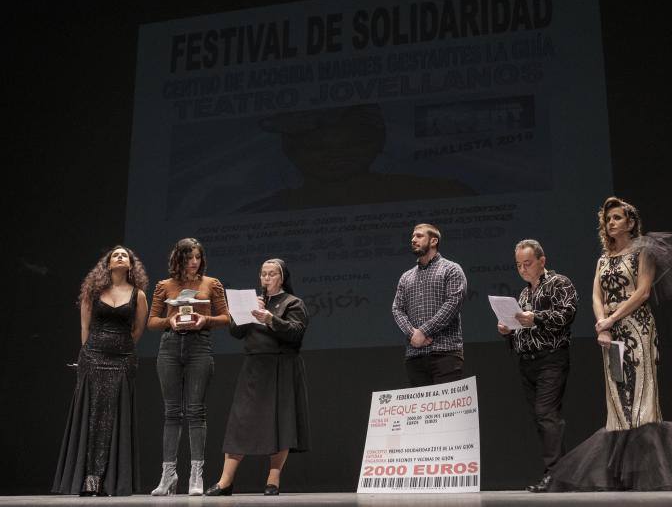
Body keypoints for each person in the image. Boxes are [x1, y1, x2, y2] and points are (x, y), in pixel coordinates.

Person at [547, 197, 672, 491]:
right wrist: (602, 325)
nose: (611, 223)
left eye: (616, 218)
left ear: (630, 222)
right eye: (608, 219)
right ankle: (621, 475)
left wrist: (611, 320)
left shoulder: (643, 252)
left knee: (640, 398)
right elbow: (596, 296)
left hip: (636, 328)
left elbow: (641, 293)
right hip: (611, 333)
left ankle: (654, 473)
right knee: (617, 398)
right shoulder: (603, 259)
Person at [236, 104, 476, 213]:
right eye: (316, 145)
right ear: (290, 148)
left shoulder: (443, 195)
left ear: (378, 140)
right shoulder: (259, 214)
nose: (335, 153)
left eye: (352, 141)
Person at [205, 258, 310, 496]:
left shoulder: (293, 303)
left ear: (282, 278)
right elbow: (236, 332)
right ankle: (225, 482)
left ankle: (273, 480)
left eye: (271, 274)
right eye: (263, 274)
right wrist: (241, 313)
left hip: (281, 366)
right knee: (239, 424)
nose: (266, 278)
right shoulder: (255, 302)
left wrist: (270, 319)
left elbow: (297, 333)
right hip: (254, 366)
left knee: (279, 424)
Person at [53, 245, 149, 496]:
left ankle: (108, 481)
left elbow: (138, 329)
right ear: (107, 264)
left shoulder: (138, 294)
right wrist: (86, 355)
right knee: (93, 416)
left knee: (114, 417)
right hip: (93, 357)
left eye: (124, 255)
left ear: (131, 265)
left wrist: (121, 348)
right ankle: (88, 480)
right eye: (115, 255)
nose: (119, 257)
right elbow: (85, 327)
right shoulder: (93, 291)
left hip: (123, 360)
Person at [148, 238, 230, 496]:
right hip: (170, 346)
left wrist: (204, 319)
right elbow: (152, 321)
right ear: (179, 259)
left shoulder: (211, 283)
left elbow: (226, 317)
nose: (194, 262)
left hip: (199, 345)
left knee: (196, 411)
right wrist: (170, 322)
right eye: (189, 257)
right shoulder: (164, 286)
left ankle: (197, 474)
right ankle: (168, 475)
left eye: (198, 257)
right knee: (172, 412)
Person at [496, 239, 577, 493]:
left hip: (550, 358)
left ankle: (554, 475)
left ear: (542, 261)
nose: (523, 269)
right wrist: (508, 330)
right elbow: (525, 328)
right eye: (519, 265)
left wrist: (536, 317)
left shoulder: (559, 283)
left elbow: (567, 314)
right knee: (542, 419)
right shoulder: (523, 293)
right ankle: (560, 476)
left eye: (527, 263)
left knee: (546, 415)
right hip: (528, 362)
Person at [392, 223, 467, 386]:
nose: (413, 239)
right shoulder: (406, 277)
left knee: (447, 410)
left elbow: (453, 303)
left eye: (419, 236)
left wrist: (424, 331)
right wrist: (412, 334)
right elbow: (397, 309)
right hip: (415, 356)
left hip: (445, 353)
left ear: (433, 241)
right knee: (421, 411)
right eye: (412, 236)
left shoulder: (451, 269)